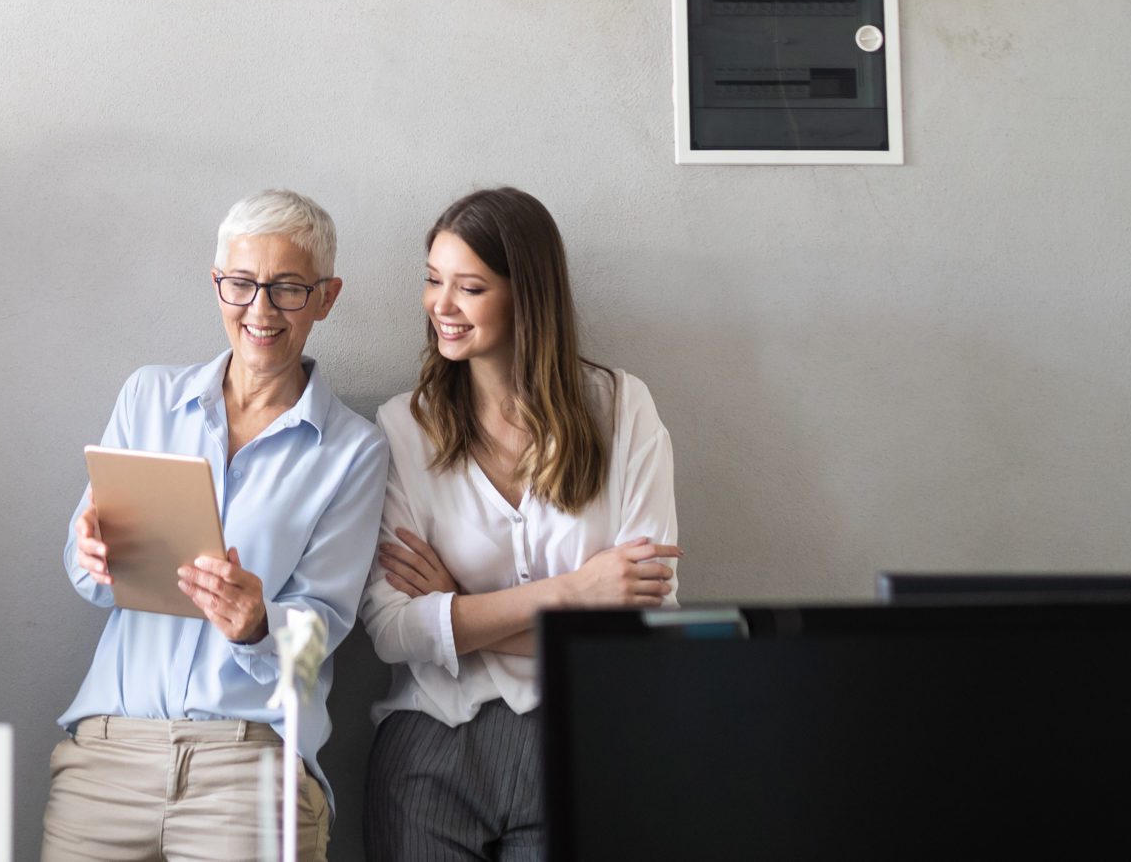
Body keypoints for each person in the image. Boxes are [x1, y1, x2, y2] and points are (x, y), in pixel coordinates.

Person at [46, 189, 391, 862]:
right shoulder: (149, 397)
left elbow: (322, 636)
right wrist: (88, 554)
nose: (260, 309)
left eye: (288, 288)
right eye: (241, 283)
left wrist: (259, 624)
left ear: (326, 296)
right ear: (217, 284)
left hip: (249, 768)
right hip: (109, 755)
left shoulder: (353, 449)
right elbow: (86, 573)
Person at [360, 187, 680, 862]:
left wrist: (462, 614)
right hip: (431, 743)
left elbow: (648, 624)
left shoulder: (623, 411)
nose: (439, 305)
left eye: (469, 286)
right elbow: (392, 631)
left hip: (585, 736)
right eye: (432, 279)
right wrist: (575, 592)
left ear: (526, 295)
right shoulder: (403, 427)